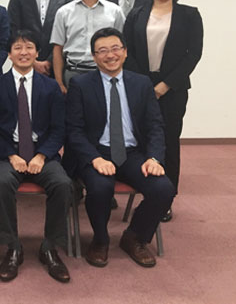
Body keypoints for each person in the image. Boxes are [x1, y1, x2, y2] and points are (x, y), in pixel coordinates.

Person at [65, 27, 175, 269]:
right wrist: (94, 158)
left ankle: (135, 237)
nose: (110, 55)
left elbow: (155, 126)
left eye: (115, 48)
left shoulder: (142, 83)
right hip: (97, 152)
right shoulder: (80, 84)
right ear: (94, 57)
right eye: (102, 51)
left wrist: (154, 158)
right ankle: (100, 240)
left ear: (125, 52)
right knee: (100, 187)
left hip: (132, 153)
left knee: (164, 189)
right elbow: (74, 130)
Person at [0, 30, 72, 283]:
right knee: (0, 183)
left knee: (63, 184)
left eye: (29, 47)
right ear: (9, 54)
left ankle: (50, 247)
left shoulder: (51, 87)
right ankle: (13, 247)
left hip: (42, 153)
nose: (24, 53)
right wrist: (11, 155)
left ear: (37, 52)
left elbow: (59, 129)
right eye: (18, 48)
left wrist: (42, 155)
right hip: (8, 152)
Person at [123, 0, 203, 222]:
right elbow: (127, 50)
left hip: (173, 88)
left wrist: (165, 85)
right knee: (141, 139)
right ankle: (146, 190)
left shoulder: (189, 15)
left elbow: (193, 54)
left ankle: (165, 199)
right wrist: (145, 85)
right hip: (140, 85)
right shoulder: (137, 14)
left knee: (168, 141)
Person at [50, 0, 126, 94]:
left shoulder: (115, 11)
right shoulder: (64, 12)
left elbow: (122, 47)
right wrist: (59, 82)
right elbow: (57, 49)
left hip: (106, 72)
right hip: (73, 72)